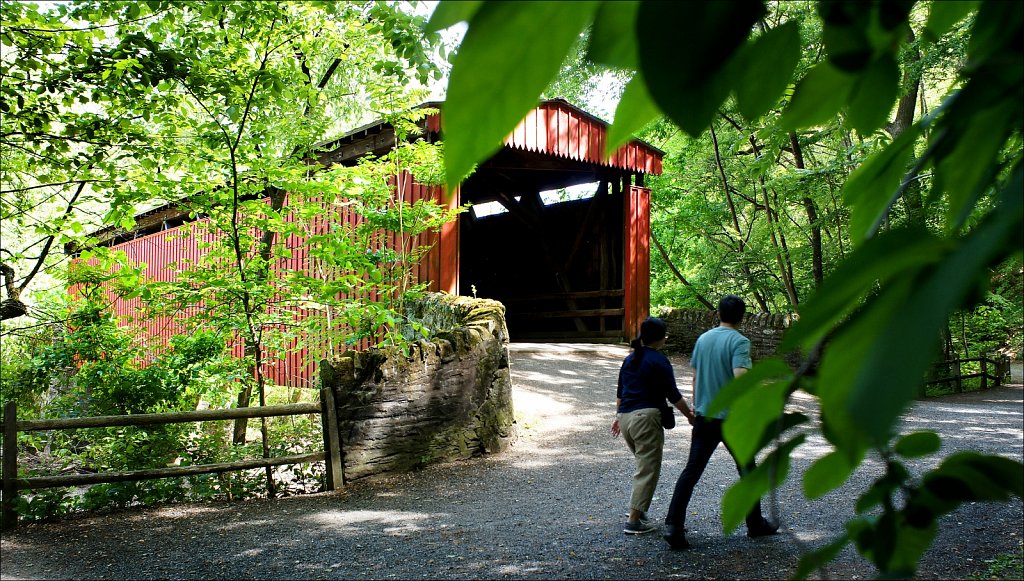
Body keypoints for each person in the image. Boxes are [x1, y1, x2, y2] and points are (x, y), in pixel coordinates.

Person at [663, 295, 779, 549]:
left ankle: (673, 525)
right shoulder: (739, 342)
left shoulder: (703, 339)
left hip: (705, 416)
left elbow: (695, 377)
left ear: (718, 313)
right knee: (748, 470)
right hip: (733, 419)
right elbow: (741, 379)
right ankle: (755, 523)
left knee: (691, 472)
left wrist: (695, 409)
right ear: (742, 316)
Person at [612, 317, 695, 535]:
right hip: (645, 418)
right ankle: (634, 520)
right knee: (648, 469)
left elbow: (621, 393)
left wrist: (617, 417)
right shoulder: (659, 361)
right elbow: (673, 394)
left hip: (626, 418)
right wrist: (689, 415)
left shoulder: (630, 359)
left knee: (642, 465)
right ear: (661, 338)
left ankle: (639, 510)